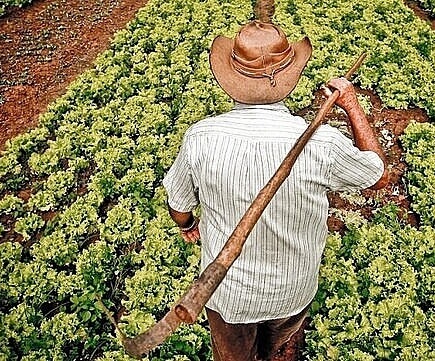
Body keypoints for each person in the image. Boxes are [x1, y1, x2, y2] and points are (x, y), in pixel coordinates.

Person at [162, 19, 388, 361]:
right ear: (289, 78)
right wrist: (352, 105)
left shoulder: (200, 138)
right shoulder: (322, 143)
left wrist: (188, 225)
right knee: (275, 344)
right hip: (292, 291)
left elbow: (178, 206)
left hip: (227, 296)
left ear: (229, 79)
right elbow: (377, 174)